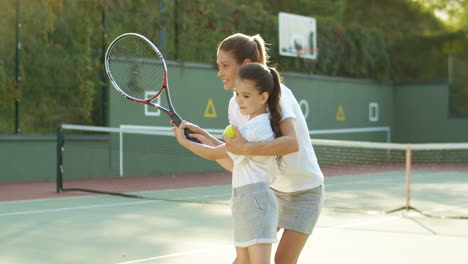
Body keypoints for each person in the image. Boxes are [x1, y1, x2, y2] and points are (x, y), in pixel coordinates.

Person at [173, 33, 324, 264]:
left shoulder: (277, 95)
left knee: (283, 260)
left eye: (225, 66)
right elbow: (237, 160)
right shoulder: (235, 105)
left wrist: (240, 148)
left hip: (305, 191)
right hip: (269, 192)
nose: (219, 73)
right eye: (218, 66)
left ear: (245, 65)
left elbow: (290, 143)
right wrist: (202, 136)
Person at [174, 63, 283, 264]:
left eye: (246, 96)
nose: (240, 101)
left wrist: (184, 142)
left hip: (257, 200)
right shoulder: (249, 126)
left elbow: (214, 153)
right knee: (243, 261)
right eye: (237, 94)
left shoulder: (255, 129)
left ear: (263, 97)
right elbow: (227, 155)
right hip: (243, 199)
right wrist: (201, 134)